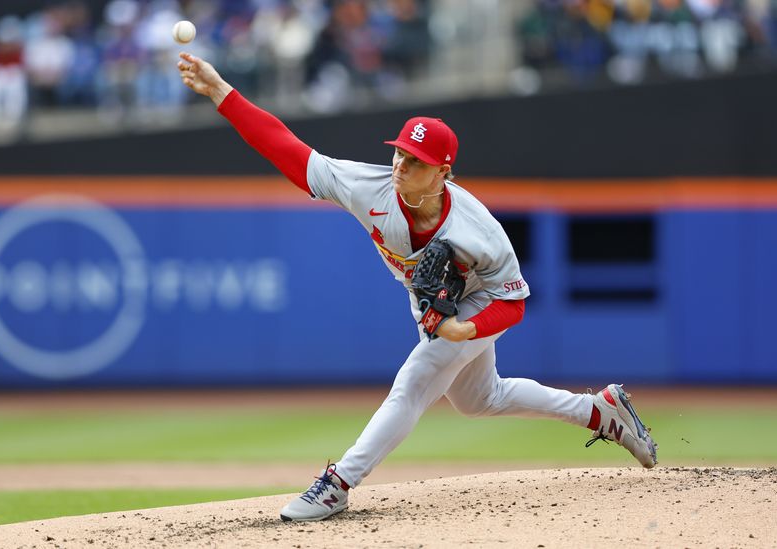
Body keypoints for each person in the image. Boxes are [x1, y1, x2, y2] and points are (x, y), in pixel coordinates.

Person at [176, 51, 658, 523]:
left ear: (443, 173)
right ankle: (600, 412)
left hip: (480, 301)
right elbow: (286, 148)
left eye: (416, 162)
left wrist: (466, 331)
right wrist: (221, 91)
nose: (401, 167)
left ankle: (338, 484)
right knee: (479, 400)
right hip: (433, 303)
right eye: (400, 154)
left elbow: (514, 302)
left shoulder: (479, 230)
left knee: (414, 383)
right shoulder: (371, 187)